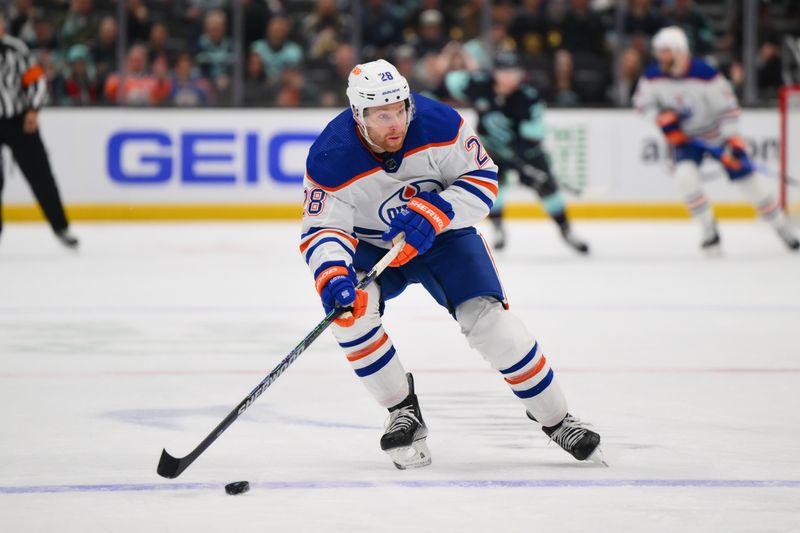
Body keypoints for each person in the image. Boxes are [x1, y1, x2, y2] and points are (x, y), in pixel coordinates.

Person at [300, 59, 603, 470]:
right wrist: (333, 272)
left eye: (400, 109)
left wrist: (436, 211)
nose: (395, 123)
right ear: (359, 114)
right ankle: (402, 411)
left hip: (443, 235)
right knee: (350, 316)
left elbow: (483, 179)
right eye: (382, 115)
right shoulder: (330, 156)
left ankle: (557, 419)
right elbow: (322, 230)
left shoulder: (439, 123)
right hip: (373, 246)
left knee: (493, 325)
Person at [633, 26, 799, 252]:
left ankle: (782, 228)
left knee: (752, 186)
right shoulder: (653, 76)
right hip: (687, 139)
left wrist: (733, 142)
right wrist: (663, 119)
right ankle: (709, 229)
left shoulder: (706, 75)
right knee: (685, 178)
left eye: (665, 51)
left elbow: (729, 110)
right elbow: (641, 105)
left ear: (679, 51)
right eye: (658, 51)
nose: (659, 56)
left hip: (718, 136)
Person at [441, 49, 589, 253]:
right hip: (489, 150)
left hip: (526, 153)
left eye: (513, 71)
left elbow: (533, 135)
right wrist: (470, 68)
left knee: (547, 188)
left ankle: (566, 230)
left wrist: (517, 154)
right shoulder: (480, 84)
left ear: (521, 73)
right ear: (495, 72)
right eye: (503, 71)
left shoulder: (529, 97)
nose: (508, 77)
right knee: (492, 188)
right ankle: (498, 227)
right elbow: (451, 81)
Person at [0, 13, 78, 248]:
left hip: (19, 120)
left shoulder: (16, 49)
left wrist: (33, 109)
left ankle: (60, 226)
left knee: (40, 174)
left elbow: (37, 80)